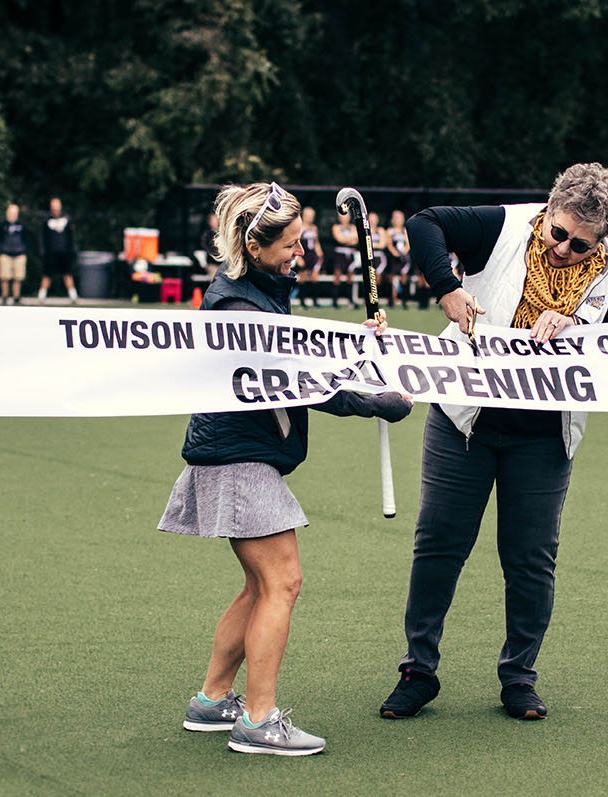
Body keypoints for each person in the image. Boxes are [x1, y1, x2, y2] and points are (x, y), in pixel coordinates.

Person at [161, 182, 412, 756]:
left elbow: (304, 356)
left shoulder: (257, 290)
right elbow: (297, 379)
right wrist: (373, 398)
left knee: (258, 585)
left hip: (236, 452)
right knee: (283, 580)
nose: (301, 253)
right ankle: (258, 719)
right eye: (292, 245)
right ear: (254, 246)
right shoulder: (238, 305)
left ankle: (211, 701)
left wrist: (356, 349)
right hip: (235, 455)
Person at [378, 163, 608, 721]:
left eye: (581, 244)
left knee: (530, 559)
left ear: (603, 242)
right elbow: (425, 225)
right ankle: (417, 671)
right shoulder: (505, 226)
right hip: (463, 416)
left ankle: (519, 676)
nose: (564, 247)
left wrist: (577, 330)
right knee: (439, 544)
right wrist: (447, 287)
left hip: (544, 435)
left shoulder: (605, 274)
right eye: (558, 232)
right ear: (548, 210)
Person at [38, 196, 78, 303]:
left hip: (64, 252)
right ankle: (42, 296)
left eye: (57, 205)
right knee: (47, 274)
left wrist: (73, 249)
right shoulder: (46, 220)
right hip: (51, 252)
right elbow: (42, 236)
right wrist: (43, 250)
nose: (55, 208)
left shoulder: (67, 218)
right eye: (53, 205)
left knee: (67, 274)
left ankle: (73, 296)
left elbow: (71, 236)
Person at [0, 203, 29, 304]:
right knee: (4, 277)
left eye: (14, 213)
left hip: (19, 254)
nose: (12, 215)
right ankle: (5, 297)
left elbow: (26, 239)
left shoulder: (22, 225)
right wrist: (1, 250)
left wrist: (23, 249)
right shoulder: (2, 226)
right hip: (5, 254)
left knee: (18, 277)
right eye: (10, 213)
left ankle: (16, 297)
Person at [294, 205, 324, 307]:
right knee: (302, 278)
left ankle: (315, 301)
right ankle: (302, 302)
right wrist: (298, 257)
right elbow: (295, 242)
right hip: (303, 254)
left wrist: (320, 253)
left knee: (314, 277)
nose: (310, 218)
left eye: (312, 216)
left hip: (312, 255)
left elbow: (316, 242)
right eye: (308, 215)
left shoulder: (314, 228)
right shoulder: (299, 228)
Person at [330, 209, 359, 308]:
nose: (344, 218)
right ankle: (335, 300)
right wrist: (350, 238)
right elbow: (339, 239)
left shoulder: (353, 227)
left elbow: (356, 240)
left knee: (350, 277)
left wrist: (346, 239)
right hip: (339, 254)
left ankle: (350, 300)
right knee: (337, 276)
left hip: (350, 254)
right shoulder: (336, 227)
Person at [384, 209, 411, 307]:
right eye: (396, 218)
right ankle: (392, 300)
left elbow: (408, 244)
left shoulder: (405, 231)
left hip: (404, 258)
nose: (398, 220)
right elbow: (389, 244)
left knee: (404, 278)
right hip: (393, 258)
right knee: (392, 278)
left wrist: (404, 252)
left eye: (400, 218)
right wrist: (394, 253)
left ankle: (404, 300)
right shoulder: (390, 231)